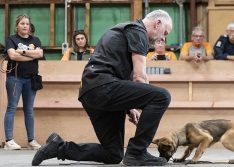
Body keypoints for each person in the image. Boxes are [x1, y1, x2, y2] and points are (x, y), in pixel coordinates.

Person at [32, 9, 172, 166]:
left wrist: (129, 107)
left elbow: (120, 74)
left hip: (91, 92)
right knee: (161, 96)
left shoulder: (126, 30)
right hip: (104, 86)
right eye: (165, 32)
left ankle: (58, 148)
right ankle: (137, 152)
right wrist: (141, 101)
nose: (163, 38)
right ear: (157, 23)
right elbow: (139, 77)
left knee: (113, 153)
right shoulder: (138, 30)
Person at [3, 14, 43, 150]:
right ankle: (9, 140)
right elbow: (12, 55)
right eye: (22, 23)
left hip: (31, 79)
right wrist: (31, 55)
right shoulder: (11, 39)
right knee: (12, 107)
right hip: (15, 78)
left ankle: (31, 140)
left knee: (29, 110)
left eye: (27, 23)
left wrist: (23, 52)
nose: (25, 26)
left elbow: (40, 54)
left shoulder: (35, 40)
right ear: (17, 26)